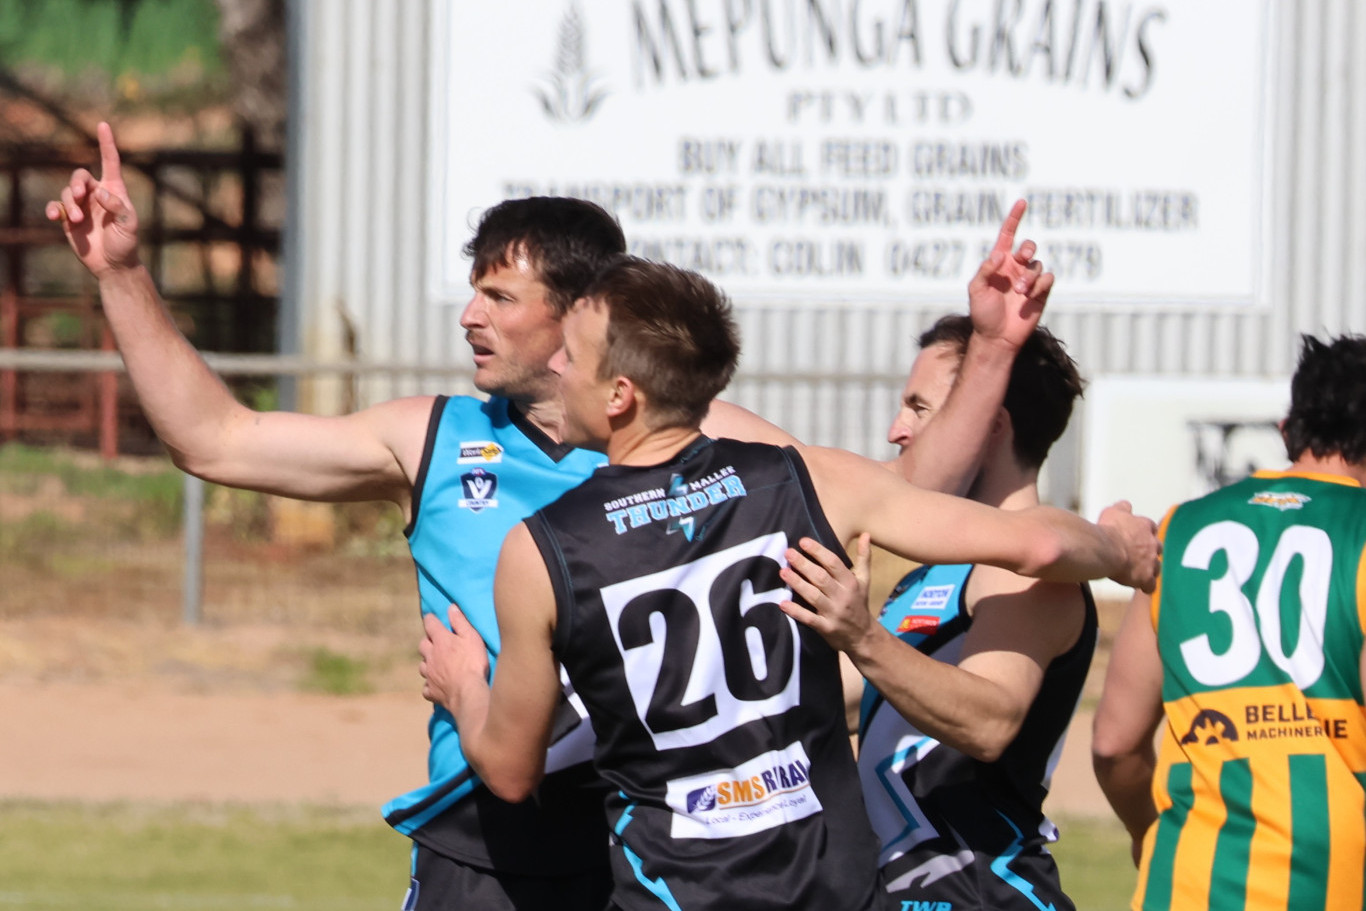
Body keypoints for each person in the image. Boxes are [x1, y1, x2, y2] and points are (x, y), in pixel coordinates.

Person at [47, 122, 1055, 910]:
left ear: (581, 312)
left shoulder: (704, 432)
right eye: (471, 290)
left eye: (497, 293)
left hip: (667, 841)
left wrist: (994, 349)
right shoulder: (432, 437)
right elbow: (215, 439)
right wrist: (122, 274)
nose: (468, 315)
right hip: (485, 841)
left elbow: (902, 496)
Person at [418, 257, 1161, 911]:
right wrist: (1118, 549)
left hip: (673, 889)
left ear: (620, 394)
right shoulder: (806, 481)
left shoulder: (541, 548)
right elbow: (1033, 541)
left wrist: (463, 690)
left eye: (568, 357)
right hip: (828, 884)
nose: (552, 368)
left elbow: (512, 771)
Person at [778, 315, 1095, 910]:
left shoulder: (1026, 574)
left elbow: (989, 721)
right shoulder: (934, 575)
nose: (897, 430)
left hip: (985, 897)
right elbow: (832, 701)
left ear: (988, 424)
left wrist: (864, 636)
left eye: (919, 408)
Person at [1091, 333, 1366, 911]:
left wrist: (1151, 835)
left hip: (1188, 879)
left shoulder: (1179, 529)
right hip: (1335, 882)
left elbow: (1115, 744)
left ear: (1289, 430)